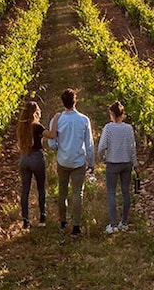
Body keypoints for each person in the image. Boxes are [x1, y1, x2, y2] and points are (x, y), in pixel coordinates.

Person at [46, 88, 95, 237]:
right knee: (77, 193)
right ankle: (76, 227)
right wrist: (91, 162)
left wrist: (60, 148)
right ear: (75, 101)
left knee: (62, 191)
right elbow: (89, 145)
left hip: (63, 160)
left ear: (63, 102)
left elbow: (52, 144)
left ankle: (62, 222)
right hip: (78, 161)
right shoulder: (84, 120)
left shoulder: (57, 120)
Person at [97, 100, 138, 234]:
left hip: (112, 163)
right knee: (126, 192)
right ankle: (124, 222)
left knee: (111, 193)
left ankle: (113, 224)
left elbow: (102, 146)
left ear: (112, 114)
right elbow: (133, 148)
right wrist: (135, 164)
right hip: (126, 163)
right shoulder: (128, 128)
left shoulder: (108, 128)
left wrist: (102, 158)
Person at [16, 100, 47, 229]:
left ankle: (25, 220)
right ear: (35, 113)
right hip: (36, 158)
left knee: (25, 190)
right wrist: (55, 122)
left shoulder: (21, 127)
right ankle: (42, 217)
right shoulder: (37, 126)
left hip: (24, 158)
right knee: (41, 188)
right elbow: (50, 135)